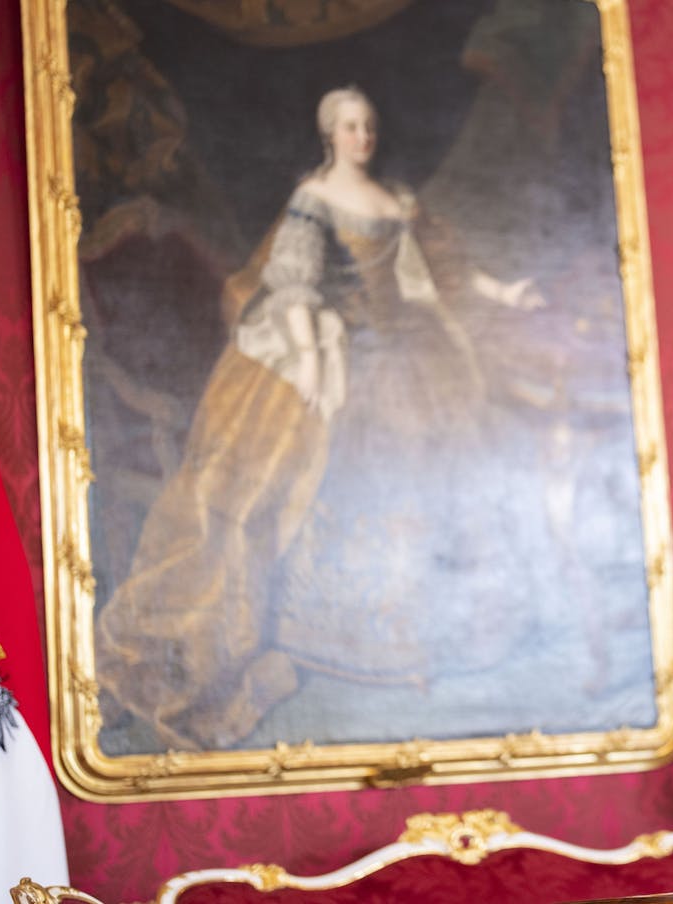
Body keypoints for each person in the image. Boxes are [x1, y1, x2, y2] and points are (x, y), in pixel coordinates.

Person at [95, 86, 518, 751]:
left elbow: (427, 280)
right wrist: (316, 358)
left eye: (368, 125)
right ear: (331, 135)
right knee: (301, 457)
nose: (362, 137)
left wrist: (500, 290)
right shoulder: (314, 202)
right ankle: (319, 628)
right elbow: (288, 284)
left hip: (404, 348)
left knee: (434, 440)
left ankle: (415, 630)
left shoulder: (394, 202)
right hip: (324, 345)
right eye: (350, 127)